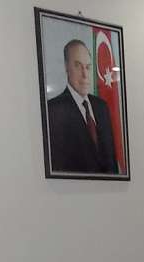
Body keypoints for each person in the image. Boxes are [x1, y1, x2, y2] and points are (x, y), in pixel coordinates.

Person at [45, 38, 119, 175]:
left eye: (88, 67)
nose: (85, 75)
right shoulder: (53, 111)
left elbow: (112, 164)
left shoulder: (102, 107)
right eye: (78, 66)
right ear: (66, 67)